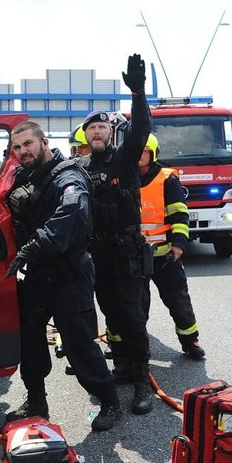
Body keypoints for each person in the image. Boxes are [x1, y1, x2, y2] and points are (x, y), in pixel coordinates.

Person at [4, 121, 121, 432]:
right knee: (29, 340)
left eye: (28, 144)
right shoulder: (23, 175)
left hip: (70, 274)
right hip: (38, 275)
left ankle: (109, 400)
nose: (22, 152)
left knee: (79, 343)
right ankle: (36, 401)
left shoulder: (67, 176)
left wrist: (35, 244)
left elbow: (72, 213)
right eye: (17, 148)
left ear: (44, 143)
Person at [81, 54, 155, 415]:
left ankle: (143, 380)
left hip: (127, 252)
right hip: (98, 256)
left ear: (110, 131)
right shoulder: (78, 169)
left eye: (101, 127)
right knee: (110, 314)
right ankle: (123, 363)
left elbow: (140, 130)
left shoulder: (124, 158)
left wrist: (138, 93)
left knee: (131, 316)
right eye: (90, 128)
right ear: (84, 135)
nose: (96, 131)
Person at [137, 134, 205, 361]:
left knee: (178, 300)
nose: (139, 155)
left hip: (165, 255)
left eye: (144, 150)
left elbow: (179, 214)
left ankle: (190, 340)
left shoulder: (167, 179)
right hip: (133, 256)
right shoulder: (123, 177)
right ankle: (130, 345)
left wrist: (178, 244)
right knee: (134, 303)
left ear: (153, 153)